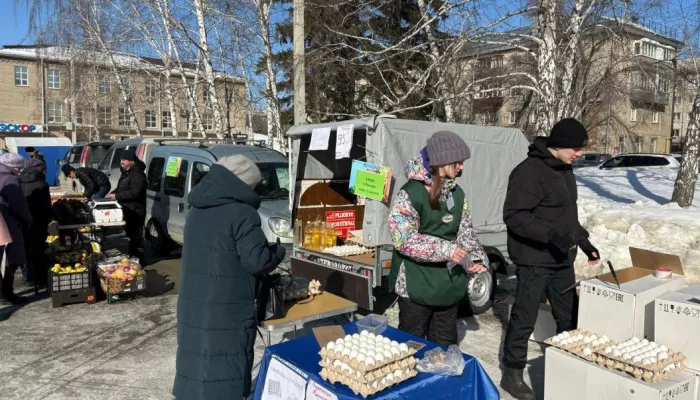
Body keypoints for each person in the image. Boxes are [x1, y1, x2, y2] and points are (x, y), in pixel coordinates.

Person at [500, 118, 601, 400]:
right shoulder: (529, 172)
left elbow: (568, 215)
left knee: (568, 314)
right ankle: (512, 372)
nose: (579, 153)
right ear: (559, 145)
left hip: (562, 259)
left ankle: (566, 365)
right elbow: (515, 217)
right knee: (525, 317)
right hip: (534, 259)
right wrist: (550, 236)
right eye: (575, 148)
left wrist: (584, 241)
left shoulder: (565, 170)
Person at [173, 155, 286, 400]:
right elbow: (257, 261)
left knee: (197, 357)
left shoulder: (196, 208)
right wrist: (277, 252)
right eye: (255, 185)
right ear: (244, 184)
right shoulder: (243, 213)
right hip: (229, 303)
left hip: (195, 299)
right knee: (227, 360)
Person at [387, 130, 489, 346]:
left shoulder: (456, 193)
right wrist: (448, 250)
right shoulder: (411, 193)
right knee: (411, 346)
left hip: (447, 287)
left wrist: (478, 259)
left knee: (444, 348)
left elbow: (466, 232)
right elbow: (403, 239)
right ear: (441, 161)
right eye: (458, 162)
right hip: (416, 285)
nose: (461, 167)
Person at [0, 153, 32, 305]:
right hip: (7, 222)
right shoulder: (10, 179)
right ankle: (7, 292)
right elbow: (18, 204)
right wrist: (28, 219)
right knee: (11, 257)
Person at [107, 150, 146, 262]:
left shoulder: (137, 174)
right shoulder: (127, 172)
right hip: (128, 208)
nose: (121, 162)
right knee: (129, 234)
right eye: (121, 160)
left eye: (124, 160)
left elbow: (134, 193)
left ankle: (138, 260)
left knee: (135, 236)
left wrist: (117, 195)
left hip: (135, 210)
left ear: (132, 161)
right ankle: (132, 257)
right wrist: (111, 194)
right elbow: (121, 188)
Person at [19, 159, 52, 287]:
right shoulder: (42, 183)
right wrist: (50, 218)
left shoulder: (18, 180)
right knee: (38, 248)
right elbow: (46, 206)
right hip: (38, 220)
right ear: (40, 169)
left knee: (25, 247)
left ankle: (27, 276)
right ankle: (40, 278)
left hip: (22, 220)